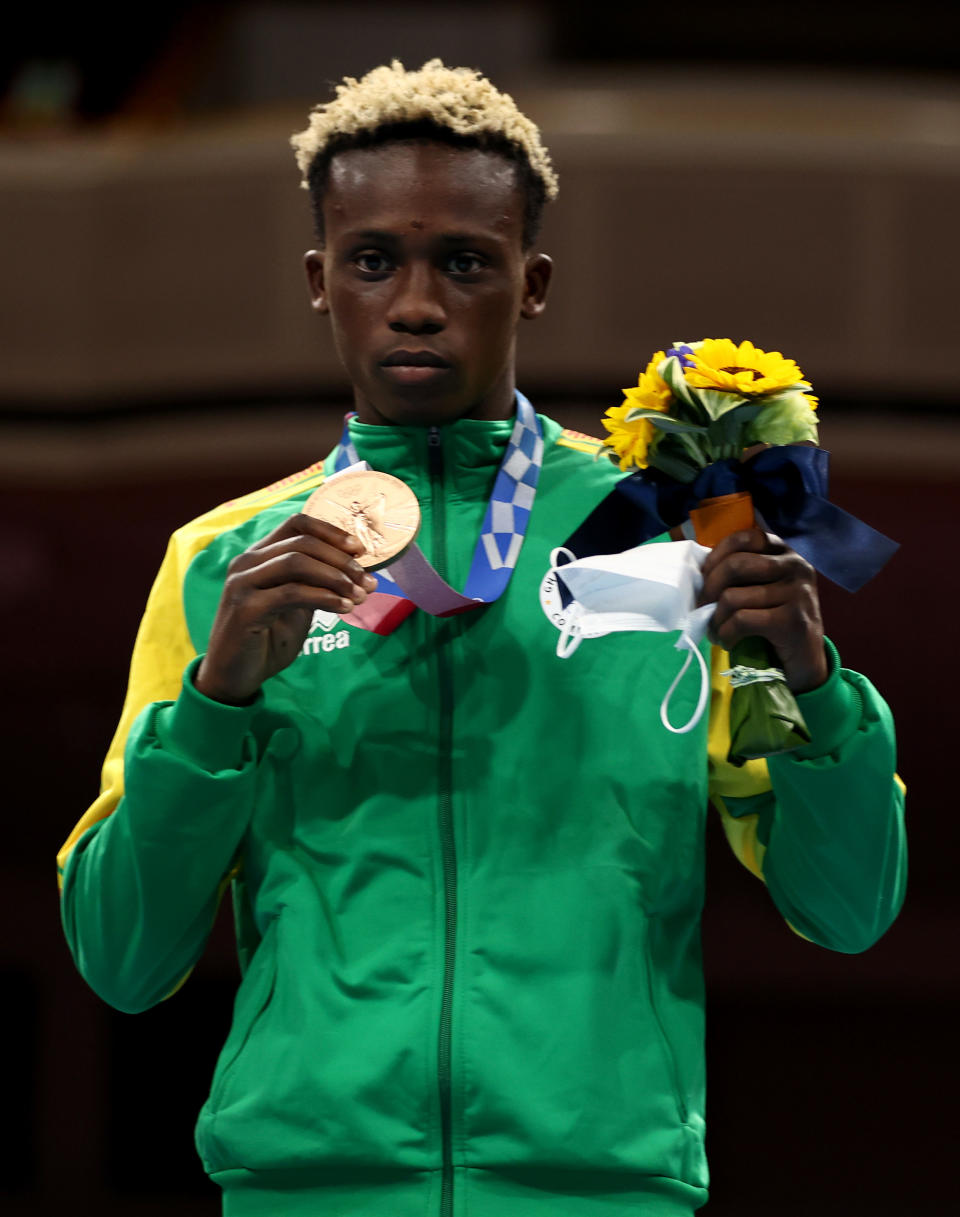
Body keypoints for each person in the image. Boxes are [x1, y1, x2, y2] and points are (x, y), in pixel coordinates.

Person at [57, 60, 906, 1217]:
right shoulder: (220, 565)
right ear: (320, 281)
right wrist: (214, 703)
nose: (415, 301)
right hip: (312, 1185)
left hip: (600, 1186)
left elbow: (848, 906)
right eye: (373, 261)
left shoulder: (667, 538)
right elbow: (122, 953)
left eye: (463, 260)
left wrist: (815, 682)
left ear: (532, 280)